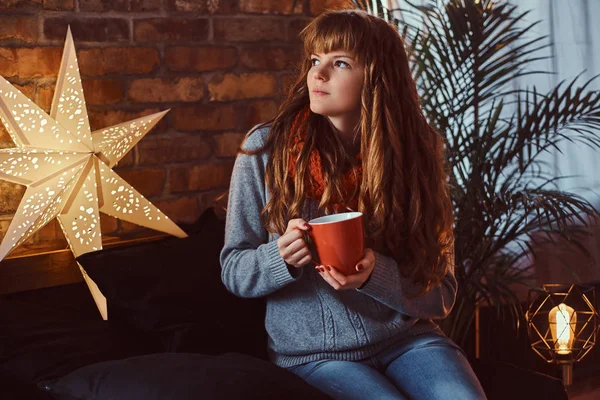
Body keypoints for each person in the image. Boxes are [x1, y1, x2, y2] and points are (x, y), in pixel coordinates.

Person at [220, 9, 486, 400]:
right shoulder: (264, 151)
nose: (318, 74)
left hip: (409, 341)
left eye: (339, 62)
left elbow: (441, 295)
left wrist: (374, 276)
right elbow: (234, 270)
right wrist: (280, 258)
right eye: (315, 61)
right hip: (314, 357)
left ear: (377, 79)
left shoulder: (414, 156)